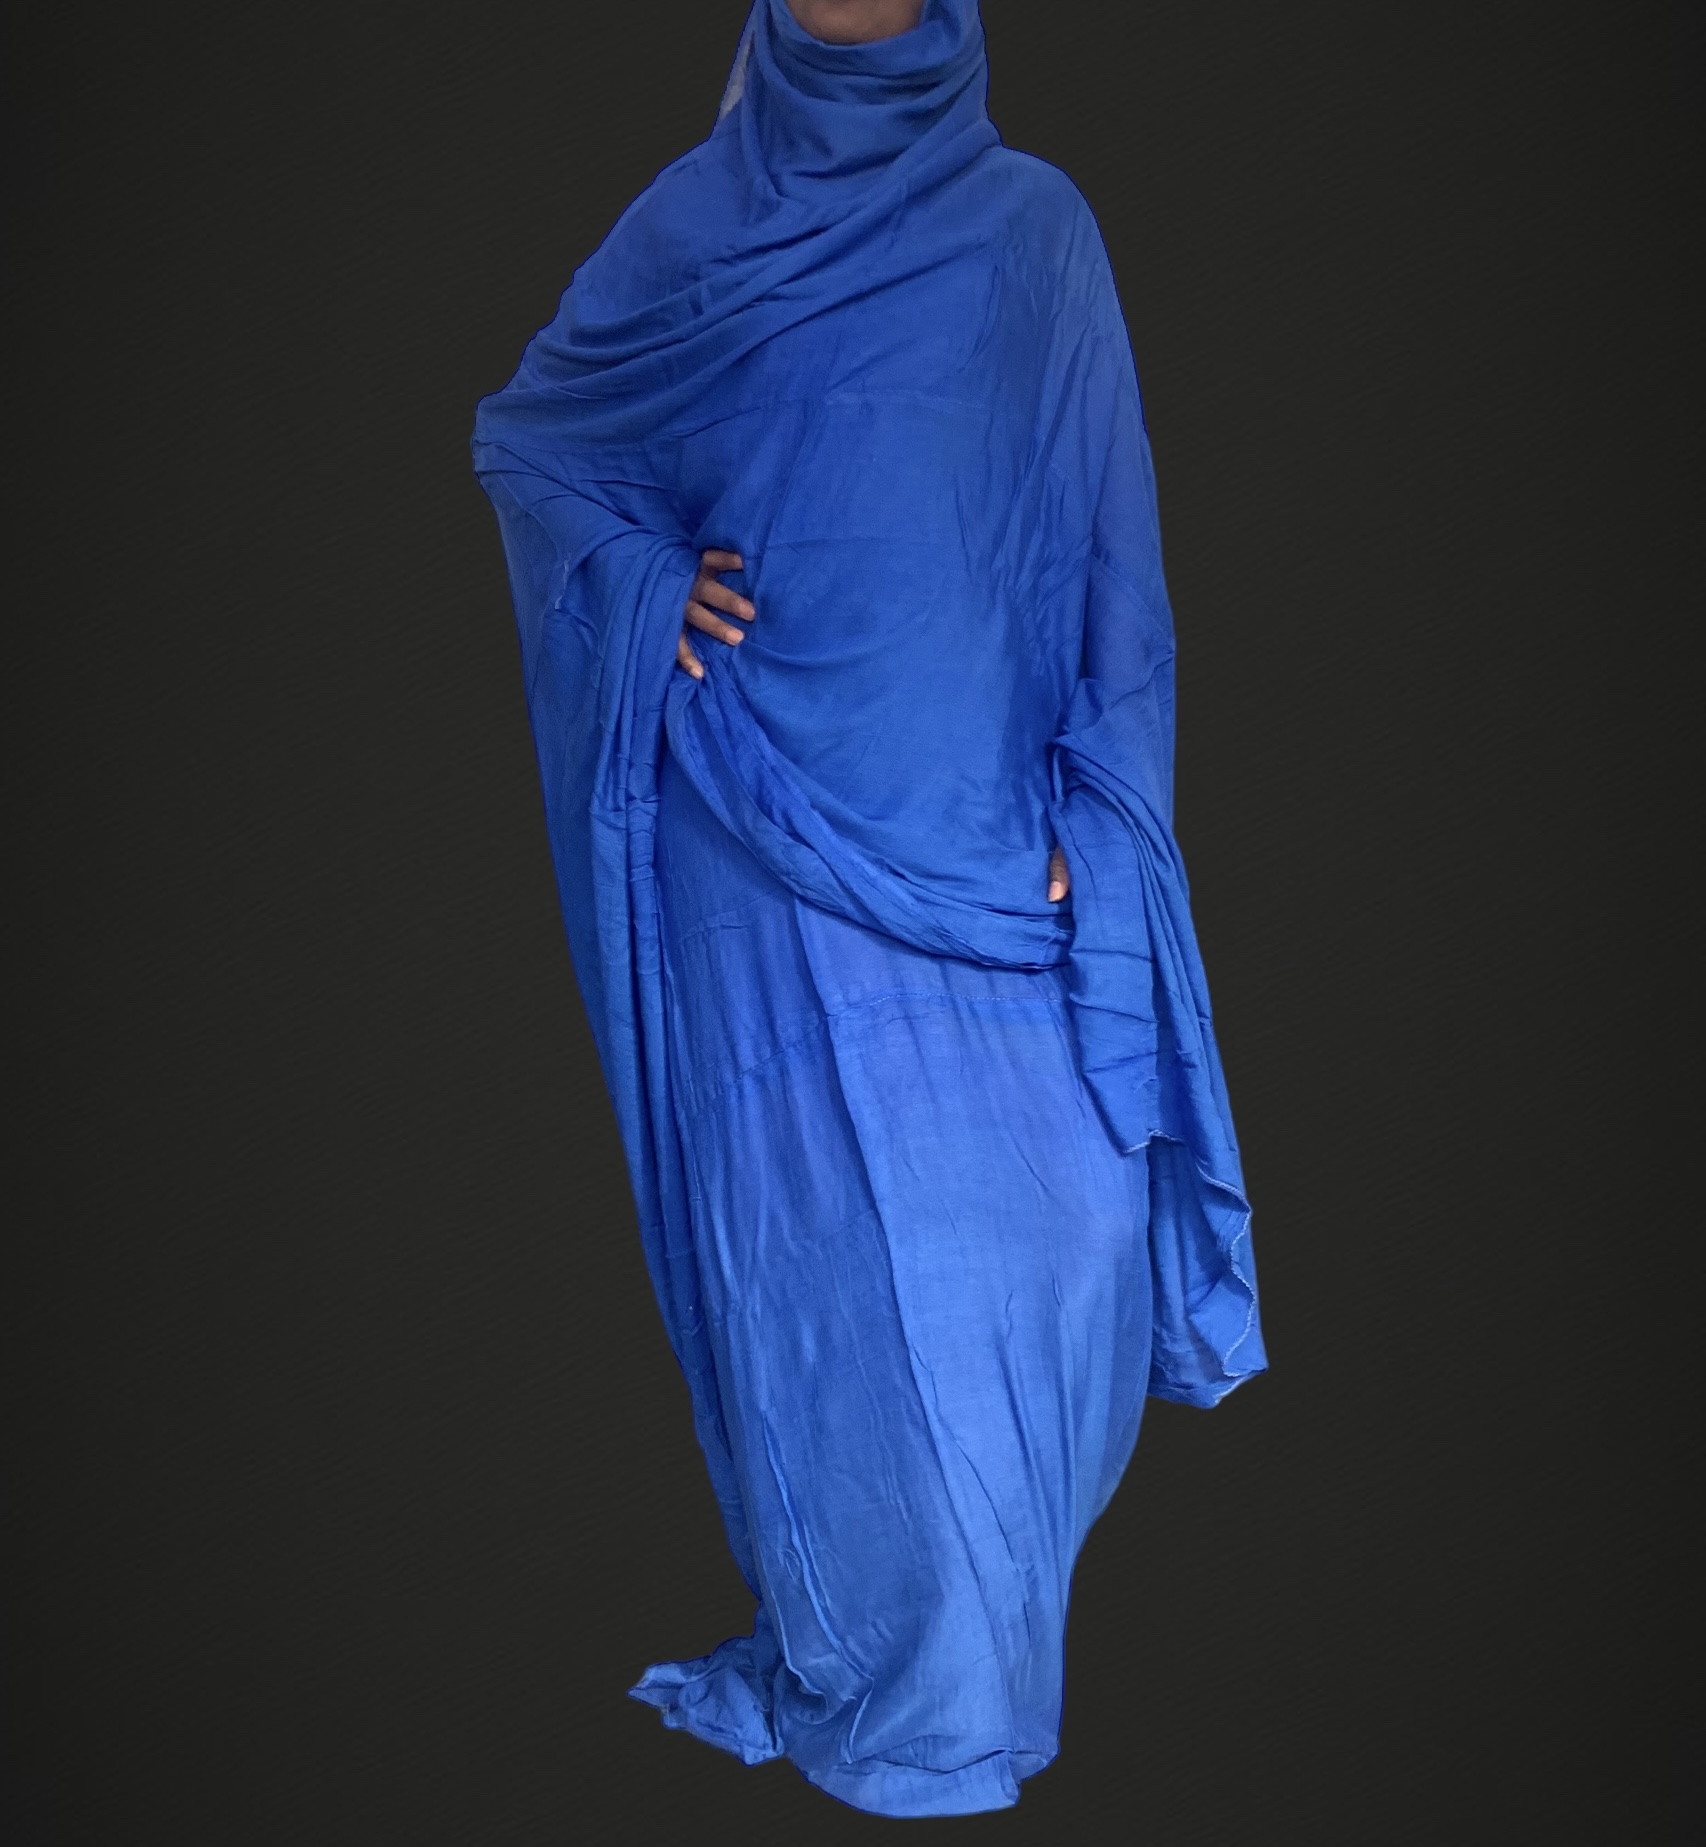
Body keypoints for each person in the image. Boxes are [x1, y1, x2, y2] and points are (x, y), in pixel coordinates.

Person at [471, 0, 1265, 1817]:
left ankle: (943, 1696)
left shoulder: (1036, 231)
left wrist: (1106, 810)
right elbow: (536, 444)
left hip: (982, 837)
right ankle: (916, 1728)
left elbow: (1106, 545)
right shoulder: (693, 227)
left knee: (1068, 1245)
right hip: (758, 833)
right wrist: (644, 587)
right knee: (836, 1294)